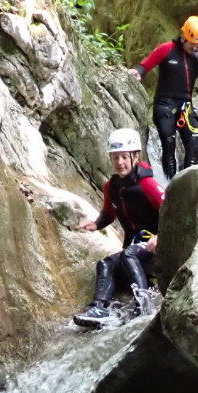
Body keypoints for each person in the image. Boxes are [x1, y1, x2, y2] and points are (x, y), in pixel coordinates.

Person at [72, 128, 164, 327]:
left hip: (157, 248)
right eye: (115, 158)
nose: (119, 162)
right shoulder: (111, 187)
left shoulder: (147, 184)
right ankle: (98, 308)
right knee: (105, 264)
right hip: (137, 250)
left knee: (128, 254)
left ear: (135, 156)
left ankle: (143, 306)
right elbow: (108, 213)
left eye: (124, 157)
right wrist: (96, 224)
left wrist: (160, 236)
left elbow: (171, 210)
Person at [129, 15, 198, 179]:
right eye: (192, 45)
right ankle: (170, 183)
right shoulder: (167, 49)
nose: (195, 48)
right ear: (184, 37)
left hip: (185, 107)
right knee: (169, 142)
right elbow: (146, 65)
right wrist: (138, 73)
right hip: (164, 105)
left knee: (193, 143)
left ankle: (186, 182)